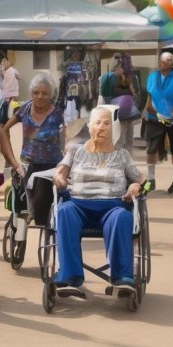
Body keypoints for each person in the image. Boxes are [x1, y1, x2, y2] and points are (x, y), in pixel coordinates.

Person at [53, 107, 146, 291]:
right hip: (78, 205)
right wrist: (60, 178)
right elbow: (60, 172)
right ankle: (70, 276)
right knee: (64, 211)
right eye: (97, 123)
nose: (102, 127)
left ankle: (122, 277)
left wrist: (137, 186)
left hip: (113, 206)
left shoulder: (122, 155)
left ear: (114, 128)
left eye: (106, 123)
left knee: (122, 217)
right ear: (89, 127)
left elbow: (142, 179)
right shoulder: (76, 152)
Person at [0, 72, 65, 226]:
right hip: (27, 164)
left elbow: (66, 142)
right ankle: (33, 215)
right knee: (24, 197)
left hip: (51, 165)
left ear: (51, 94)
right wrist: (12, 160)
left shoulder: (58, 115)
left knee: (42, 197)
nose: (40, 96)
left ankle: (42, 219)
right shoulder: (25, 109)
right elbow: (4, 129)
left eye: (45, 93)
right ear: (31, 93)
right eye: (36, 92)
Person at [143, 49, 173, 193]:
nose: (164, 62)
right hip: (155, 117)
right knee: (151, 147)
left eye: (168, 59)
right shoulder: (153, 77)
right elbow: (149, 102)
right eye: (161, 59)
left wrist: (172, 115)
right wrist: (155, 114)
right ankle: (150, 179)